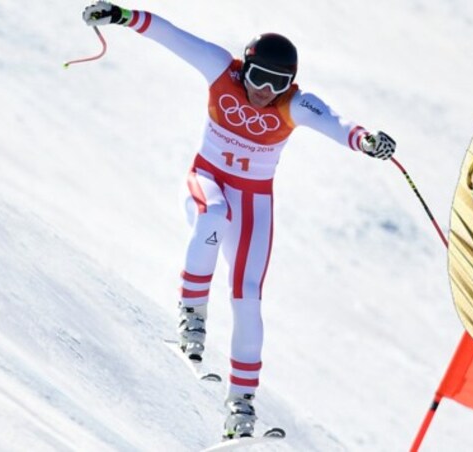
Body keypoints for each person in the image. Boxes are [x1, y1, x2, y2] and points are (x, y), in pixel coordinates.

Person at [82, 1, 396, 440]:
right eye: (257, 78)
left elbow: (340, 124)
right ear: (244, 68)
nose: (264, 91)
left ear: (290, 83)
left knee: (247, 295)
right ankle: (191, 319)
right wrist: (121, 16)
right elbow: (171, 35)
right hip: (207, 179)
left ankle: (242, 406)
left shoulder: (296, 104)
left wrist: (367, 141)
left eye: (277, 83)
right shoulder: (220, 70)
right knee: (212, 213)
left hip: (255, 203)